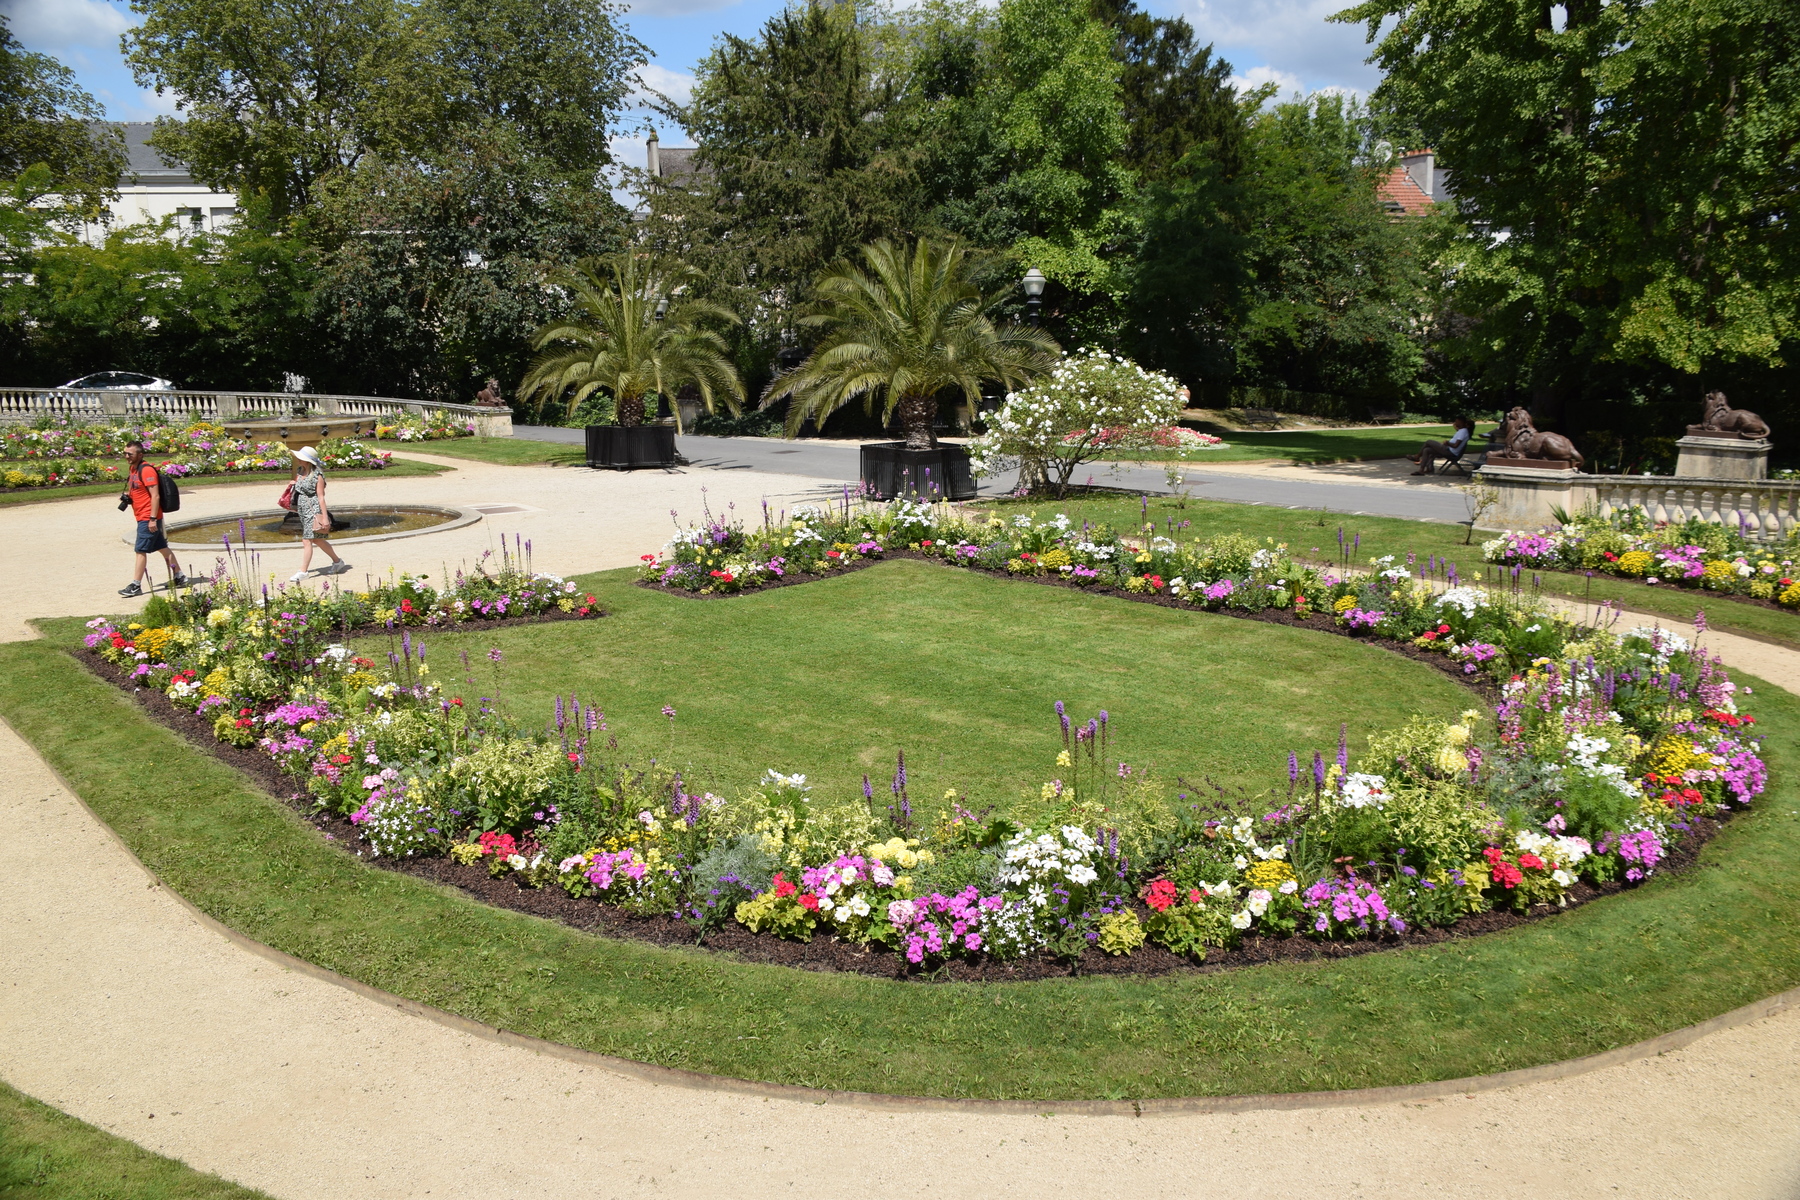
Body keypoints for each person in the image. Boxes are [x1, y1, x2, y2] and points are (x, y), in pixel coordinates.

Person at [119, 440, 187, 597]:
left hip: (148, 517)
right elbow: (139, 490)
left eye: (130, 454)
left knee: (140, 550)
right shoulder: (133, 469)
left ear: (140, 455)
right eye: (125, 453)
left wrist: (152, 519)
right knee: (162, 548)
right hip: (142, 515)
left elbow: (155, 496)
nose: (127, 456)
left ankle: (135, 585)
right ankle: (180, 576)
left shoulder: (147, 471)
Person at [287, 446, 351, 582]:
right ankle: (337, 561)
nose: (298, 459)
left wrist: (325, 518)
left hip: (313, 509)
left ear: (307, 460)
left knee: (307, 540)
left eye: (301, 458)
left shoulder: (318, 475)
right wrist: (293, 484)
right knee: (317, 539)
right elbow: (300, 487)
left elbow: (321, 497)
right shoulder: (300, 471)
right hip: (303, 509)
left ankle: (303, 571)